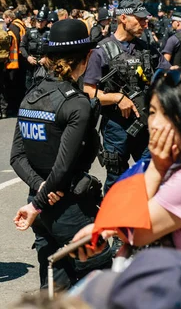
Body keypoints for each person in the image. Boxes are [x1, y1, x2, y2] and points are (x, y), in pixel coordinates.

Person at [72, 66, 181, 273]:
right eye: (153, 112)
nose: (155, 124)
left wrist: (155, 170)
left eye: (168, 115)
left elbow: (136, 232)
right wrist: (107, 229)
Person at [12, 19, 112, 291]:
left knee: (55, 288)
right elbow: (63, 166)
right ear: (87, 57)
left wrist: (38, 190)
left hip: (41, 205)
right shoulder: (76, 103)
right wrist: (40, 200)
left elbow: (17, 157)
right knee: (101, 277)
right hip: (68, 208)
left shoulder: (31, 96)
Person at [83, 0, 171, 194]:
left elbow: (168, 71)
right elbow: (88, 90)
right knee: (117, 180)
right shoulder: (102, 51)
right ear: (123, 18)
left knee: (153, 175)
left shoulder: (146, 48)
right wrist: (117, 98)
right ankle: (113, 222)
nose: (144, 24)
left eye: (145, 20)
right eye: (139, 19)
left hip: (146, 123)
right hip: (117, 126)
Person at [21, 7, 50, 89]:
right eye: (38, 21)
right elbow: (22, 46)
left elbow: (54, 48)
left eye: (42, 21)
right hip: (31, 64)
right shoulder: (29, 32)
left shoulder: (50, 32)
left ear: (46, 22)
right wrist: (28, 57)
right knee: (29, 86)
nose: (40, 23)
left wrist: (47, 58)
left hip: (45, 64)